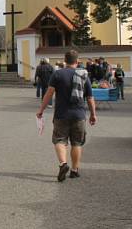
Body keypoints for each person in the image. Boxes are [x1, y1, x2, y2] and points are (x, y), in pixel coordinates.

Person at [36, 50, 96, 182]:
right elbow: (90, 98)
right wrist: (93, 114)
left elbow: (49, 94)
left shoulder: (58, 74)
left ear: (65, 60)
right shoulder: (84, 75)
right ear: (77, 61)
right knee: (77, 143)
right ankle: (74, 170)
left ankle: (63, 164)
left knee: (59, 140)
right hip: (79, 115)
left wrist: (41, 110)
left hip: (61, 115)